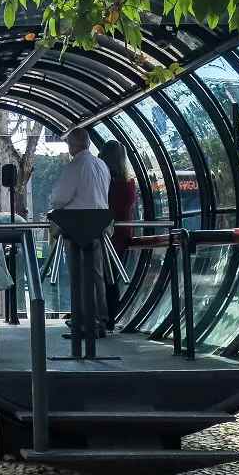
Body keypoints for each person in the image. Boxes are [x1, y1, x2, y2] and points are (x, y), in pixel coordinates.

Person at [50, 128, 111, 338]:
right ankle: (100, 320)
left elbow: (59, 198)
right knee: (96, 274)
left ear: (73, 145)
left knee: (78, 276)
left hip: (76, 227)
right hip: (99, 225)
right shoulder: (101, 165)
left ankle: (83, 322)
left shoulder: (75, 165)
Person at [99, 140, 136, 333]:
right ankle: (110, 318)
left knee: (100, 276)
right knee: (112, 277)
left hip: (105, 232)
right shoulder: (129, 182)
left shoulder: (106, 181)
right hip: (123, 233)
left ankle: (102, 317)